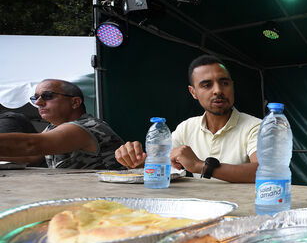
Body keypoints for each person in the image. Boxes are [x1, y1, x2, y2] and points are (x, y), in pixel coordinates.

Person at [115, 55, 260, 183]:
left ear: (232, 86)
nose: (218, 90)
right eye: (207, 85)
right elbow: (162, 165)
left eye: (224, 83)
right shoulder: (187, 127)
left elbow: (265, 171)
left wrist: (200, 166)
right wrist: (136, 162)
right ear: (193, 92)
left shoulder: (257, 127)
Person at [0, 79, 125, 169]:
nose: (38, 102)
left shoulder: (88, 126)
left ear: (75, 102)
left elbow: (30, 145)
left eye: (47, 96)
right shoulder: (52, 127)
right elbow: (31, 157)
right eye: (35, 98)